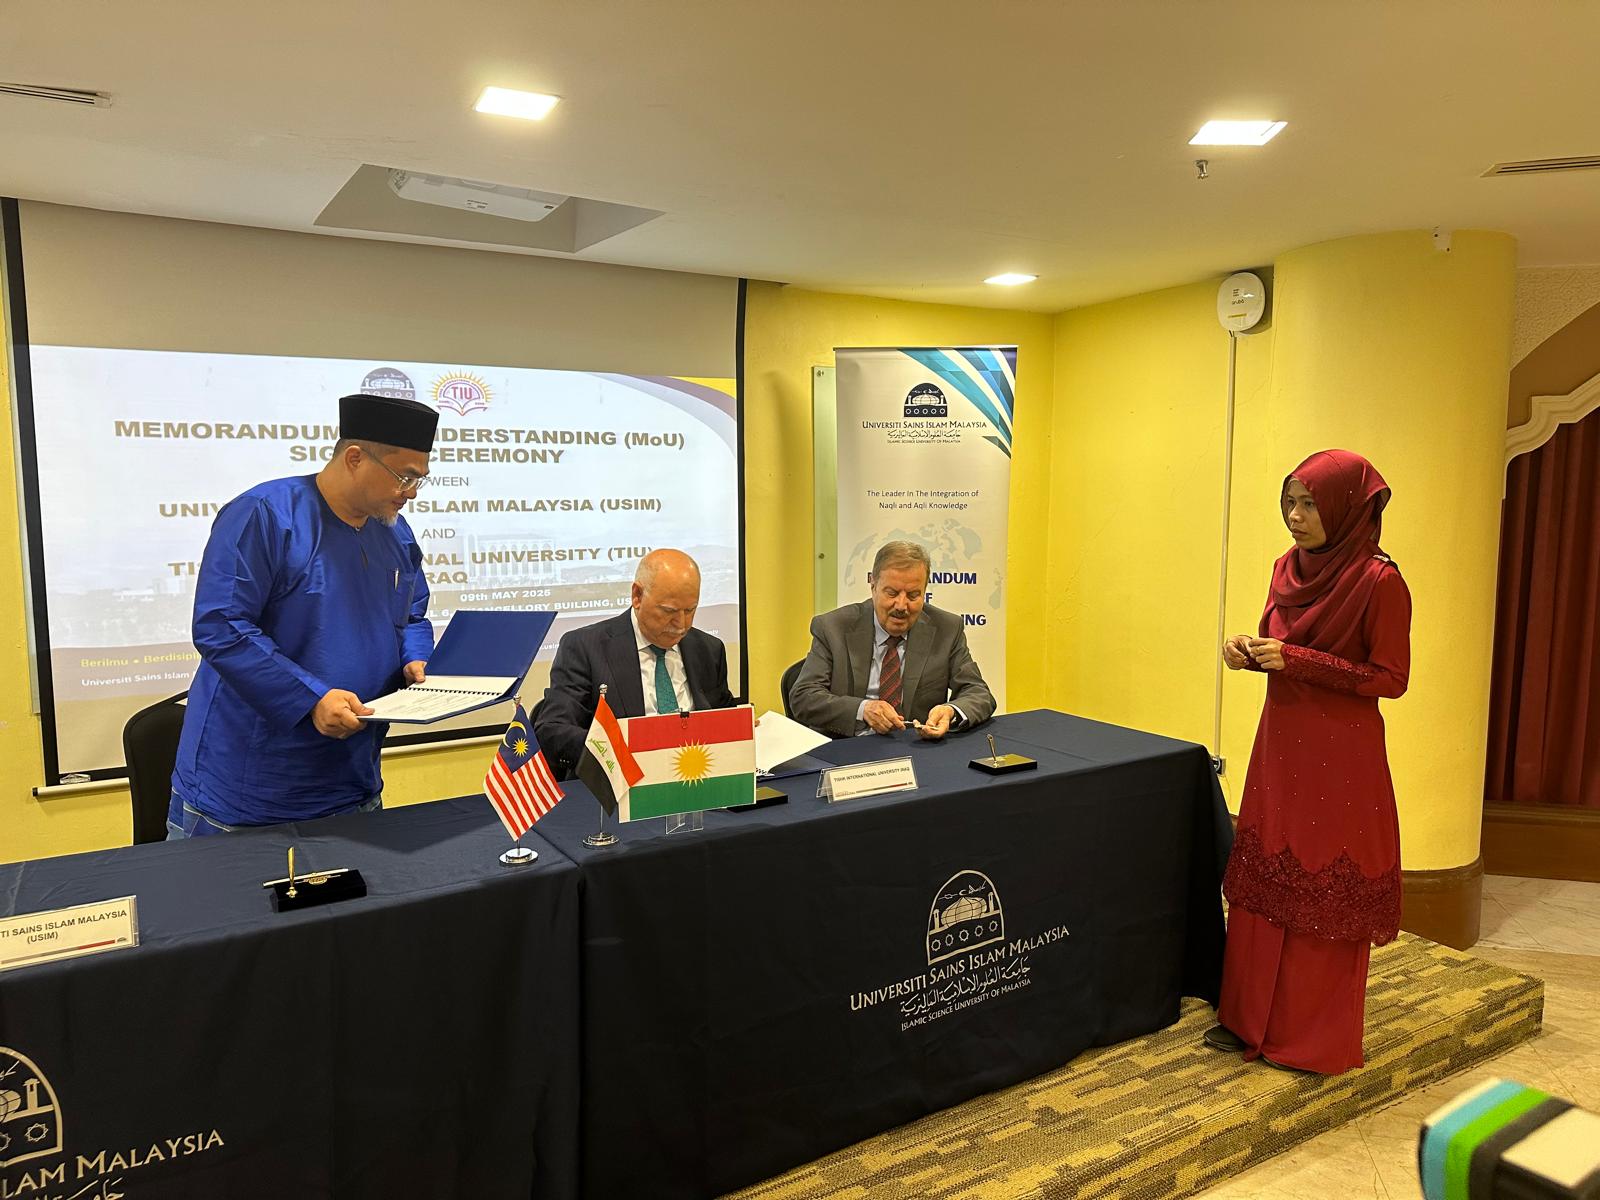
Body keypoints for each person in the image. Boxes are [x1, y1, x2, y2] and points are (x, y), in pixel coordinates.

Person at [1206, 449, 1411, 1074]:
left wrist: (1300, 662)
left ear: (1347, 509)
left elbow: (1392, 678)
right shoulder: (1284, 568)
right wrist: (1248, 650)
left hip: (1340, 758)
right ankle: (1246, 1018)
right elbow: (1281, 640)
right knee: (1268, 868)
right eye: (1289, 503)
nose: (1295, 517)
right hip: (1282, 744)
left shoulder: (1380, 581)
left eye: (1310, 505)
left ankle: (1307, 1037)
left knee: (1322, 880)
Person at [167, 393, 439, 836]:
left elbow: (411, 614)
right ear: (355, 458)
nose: (410, 493)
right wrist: (311, 697)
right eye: (404, 477)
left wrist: (415, 657)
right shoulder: (266, 515)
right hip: (252, 788)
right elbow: (221, 626)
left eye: (419, 481)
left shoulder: (394, 532)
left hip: (353, 777)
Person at [535, 548, 737, 776]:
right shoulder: (585, 647)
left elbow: (723, 716)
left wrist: (742, 729)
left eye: (690, 610)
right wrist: (621, 750)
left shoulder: (709, 649)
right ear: (637, 596)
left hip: (696, 779)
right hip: (619, 783)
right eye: (669, 611)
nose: (681, 624)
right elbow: (552, 731)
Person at [790, 540, 995, 739]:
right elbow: (804, 697)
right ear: (873, 585)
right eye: (892, 593)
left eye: (913, 595)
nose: (901, 605)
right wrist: (863, 709)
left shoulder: (947, 629)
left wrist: (950, 710)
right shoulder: (833, 627)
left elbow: (978, 693)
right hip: (846, 747)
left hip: (916, 748)